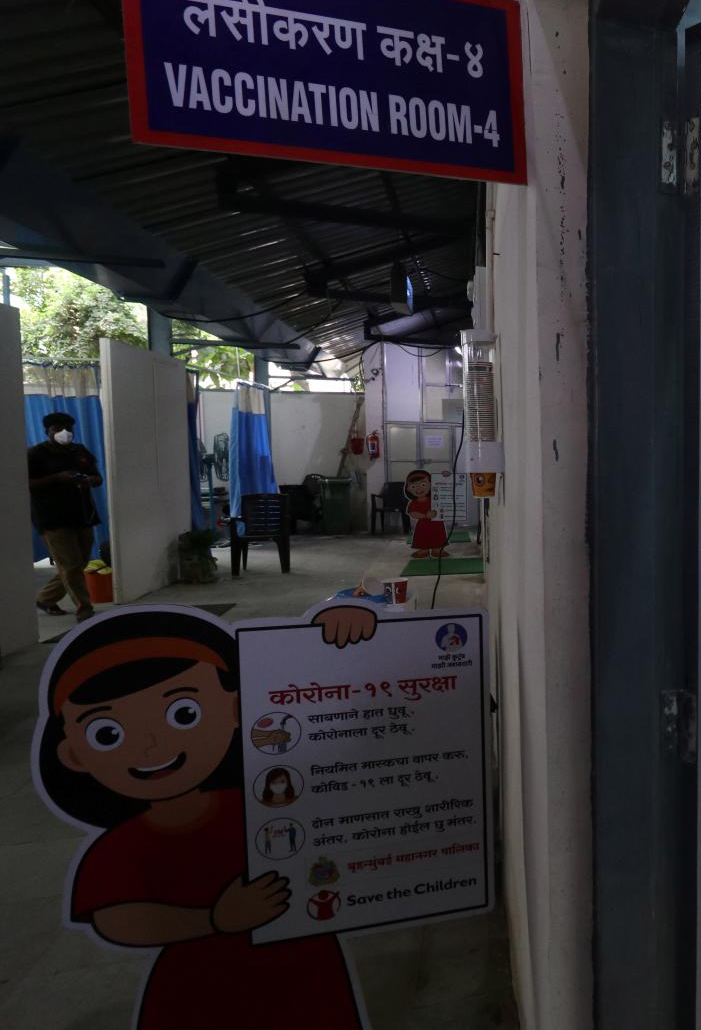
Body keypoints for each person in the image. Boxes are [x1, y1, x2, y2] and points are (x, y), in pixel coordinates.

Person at [34, 605, 376, 1028]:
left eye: (184, 713)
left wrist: (339, 636)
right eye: (108, 734)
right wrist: (213, 920)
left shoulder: (271, 797)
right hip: (199, 991)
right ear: (72, 756)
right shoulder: (121, 848)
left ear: (236, 709)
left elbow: (338, 730)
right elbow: (117, 920)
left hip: (306, 972)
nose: (151, 744)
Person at [28, 411, 103, 622]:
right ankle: (85, 609)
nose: (64, 433)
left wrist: (88, 480)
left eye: (68, 429)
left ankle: (45, 598)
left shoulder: (80, 451)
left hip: (82, 513)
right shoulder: (35, 454)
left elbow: (98, 477)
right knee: (70, 564)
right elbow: (27, 483)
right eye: (58, 429)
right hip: (51, 517)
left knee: (78, 563)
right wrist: (57, 478)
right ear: (48, 431)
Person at [403, 469, 448, 560]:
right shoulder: (414, 503)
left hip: (437, 524)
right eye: (413, 486)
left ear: (431, 484)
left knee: (438, 536)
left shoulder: (435, 497)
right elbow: (413, 513)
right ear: (408, 488)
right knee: (422, 536)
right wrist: (424, 516)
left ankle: (437, 549)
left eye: (423, 484)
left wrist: (446, 477)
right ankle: (424, 550)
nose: (419, 488)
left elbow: (446, 488)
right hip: (423, 524)